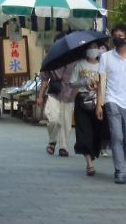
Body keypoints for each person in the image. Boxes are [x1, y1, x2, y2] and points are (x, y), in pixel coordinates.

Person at [37, 33, 77, 158]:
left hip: (70, 93)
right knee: (53, 119)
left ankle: (63, 146)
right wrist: (40, 96)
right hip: (54, 92)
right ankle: (52, 140)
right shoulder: (49, 58)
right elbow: (44, 78)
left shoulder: (75, 58)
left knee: (66, 122)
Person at [70, 43, 106, 176]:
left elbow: (107, 81)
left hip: (99, 102)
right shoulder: (79, 64)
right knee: (83, 132)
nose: (93, 50)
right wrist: (84, 82)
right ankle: (89, 164)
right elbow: (72, 82)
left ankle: (94, 154)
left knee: (96, 131)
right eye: (90, 47)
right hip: (82, 101)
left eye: (95, 46)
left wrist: (99, 88)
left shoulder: (103, 64)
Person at [96, 24, 126, 184]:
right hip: (112, 100)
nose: (118, 39)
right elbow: (102, 82)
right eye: (115, 36)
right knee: (117, 137)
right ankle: (120, 171)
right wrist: (99, 104)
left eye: (120, 36)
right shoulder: (106, 57)